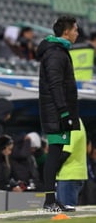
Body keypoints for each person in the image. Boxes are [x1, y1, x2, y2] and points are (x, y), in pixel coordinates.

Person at [36, 15, 80, 212]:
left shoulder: (58, 51)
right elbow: (56, 85)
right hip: (55, 112)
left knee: (56, 152)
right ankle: (49, 201)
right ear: (66, 31)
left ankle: (51, 200)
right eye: (75, 30)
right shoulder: (56, 53)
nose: (77, 33)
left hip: (56, 111)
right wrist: (64, 112)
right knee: (54, 154)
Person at [56, 119, 88, 208]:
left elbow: (66, 152)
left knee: (65, 213)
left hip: (69, 175)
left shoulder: (72, 123)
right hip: (70, 175)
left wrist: (52, 169)